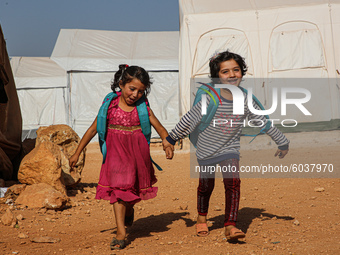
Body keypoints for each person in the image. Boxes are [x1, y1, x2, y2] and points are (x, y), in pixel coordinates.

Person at [162, 50, 289, 240]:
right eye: (225, 72)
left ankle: (230, 225)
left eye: (236, 70)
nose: (232, 75)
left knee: (233, 184)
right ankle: (202, 218)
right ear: (217, 76)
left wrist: (282, 141)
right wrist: (170, 139)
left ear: (242, 72)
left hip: (229, 149)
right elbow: (190, 120)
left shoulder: (245, 100)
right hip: (206, 149)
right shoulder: (210, 98)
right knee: (206, 186)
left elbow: (262, 121)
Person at [69, 64, 173, 250]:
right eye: (132, 89)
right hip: (116, 155)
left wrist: (166, 142)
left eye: (141, 91)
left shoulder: (143, 107)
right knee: (118, 191)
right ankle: (121, 233)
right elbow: (93, 128)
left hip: (137, 155)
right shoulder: (110, 105)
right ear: (121, 84)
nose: (135, 95)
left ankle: (129, 210)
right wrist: (77, 152)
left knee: (130, 192)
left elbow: (159, 127)